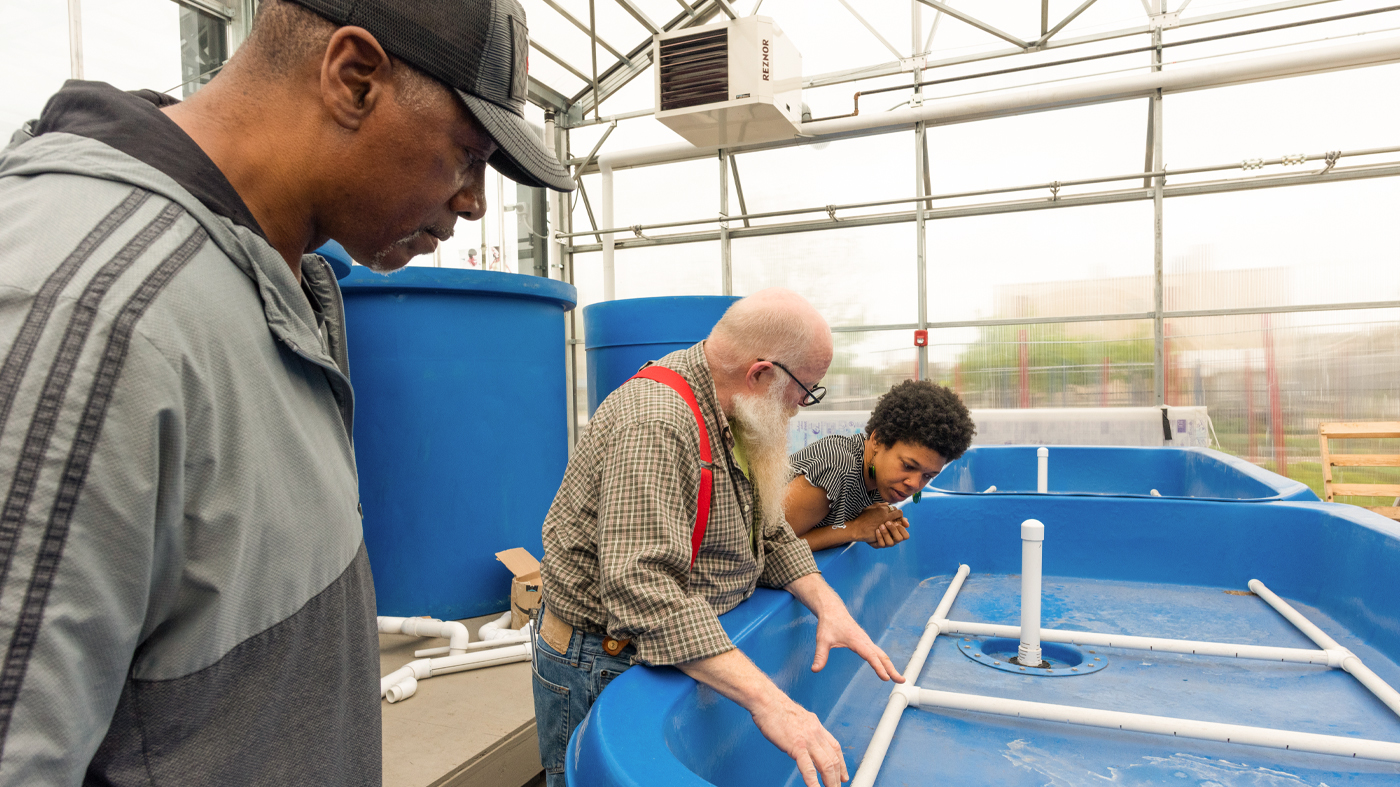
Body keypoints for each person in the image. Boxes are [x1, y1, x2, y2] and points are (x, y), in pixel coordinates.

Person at [0, 0, 571, 783]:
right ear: (354, 78)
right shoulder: (88, 309)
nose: (473, 199)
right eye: (467, 153)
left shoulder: (280, 284)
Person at [537, 289, 903, 787]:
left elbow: (767, 530)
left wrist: (827, 604)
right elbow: (641, 590)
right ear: (761, 374)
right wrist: (774, 704)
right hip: (604, 656)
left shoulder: (734, 414)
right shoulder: (657, 424)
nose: (799, 409)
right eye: (805, 391)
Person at [786, 381, 976, 552]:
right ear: (877, 440)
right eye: (908, 466)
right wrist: (855, 530)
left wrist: (875, 527)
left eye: (928, 476)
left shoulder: (879, 480)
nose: (914, 484)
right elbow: (765, 546)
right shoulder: (835, 469)